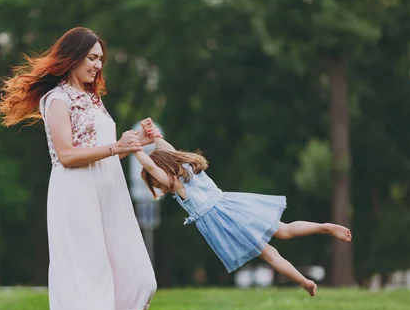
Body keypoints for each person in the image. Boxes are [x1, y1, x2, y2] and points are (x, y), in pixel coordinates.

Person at [0, 27, 157, 310]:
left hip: (108, 190)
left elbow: (105, 144)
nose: (98, 66)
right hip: (76, 194)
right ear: (73, 57)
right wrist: (116, 148)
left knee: (138, 277)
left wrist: (136, 141)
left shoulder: (93, 99)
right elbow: (67, 155)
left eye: (101, 59)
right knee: (91, 276)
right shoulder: (56, 100)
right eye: (92, 58)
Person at [134, 119, 352, 296]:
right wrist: (154, 136)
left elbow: (151, 165)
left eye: (157, 183)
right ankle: (325, 227)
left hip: (225, 221)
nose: (161, 187)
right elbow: (166, 150)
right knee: (284, 230)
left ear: (163, 173)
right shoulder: (186, 168)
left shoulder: (177, 184)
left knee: (271, 255)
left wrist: (134, 148)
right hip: (233, 205)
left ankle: (305, 282)